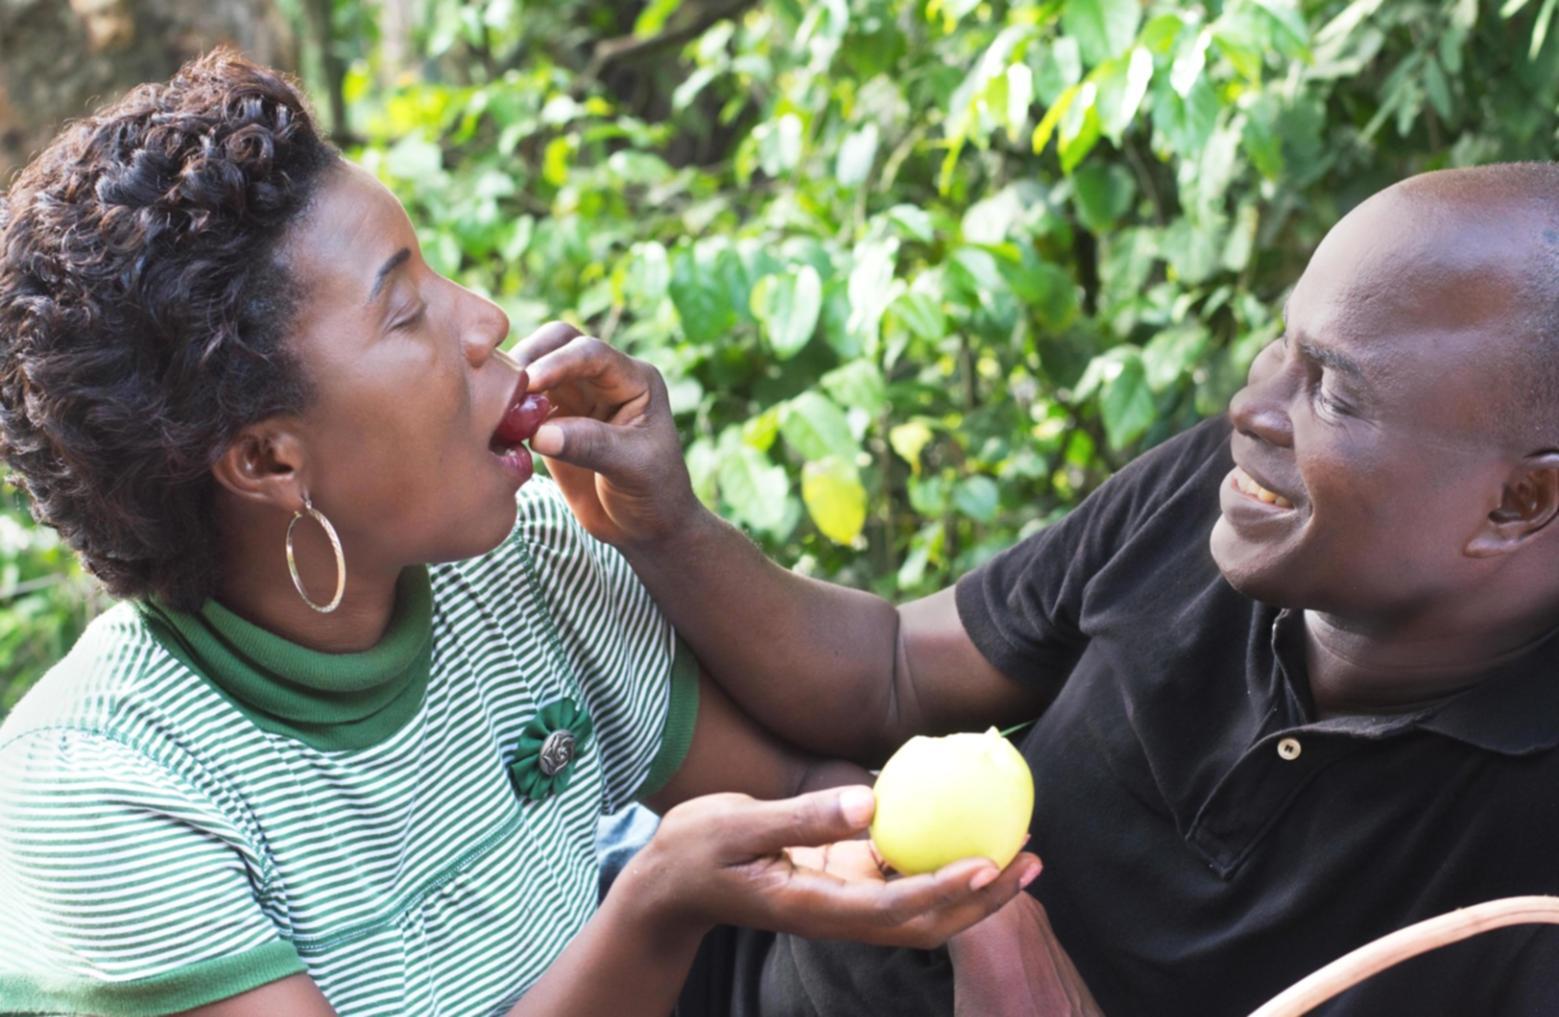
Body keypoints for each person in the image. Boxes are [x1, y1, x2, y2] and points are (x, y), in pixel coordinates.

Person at [0, 51, 1038, 1017]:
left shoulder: (524, 564)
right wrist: (659, 905)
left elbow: (800, 799)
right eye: (406, 313)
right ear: (269, 461)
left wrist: (954, 899)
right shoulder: (102, 789)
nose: (485, 319)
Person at [514, 161, 1559, 1015]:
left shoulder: (1529, 876)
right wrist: (666, 526)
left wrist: (1016, 976)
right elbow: (888, 674)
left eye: (1330, 388)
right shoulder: (1215, 495)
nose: (1251, 407)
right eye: (1278, 344)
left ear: (1517, 502)